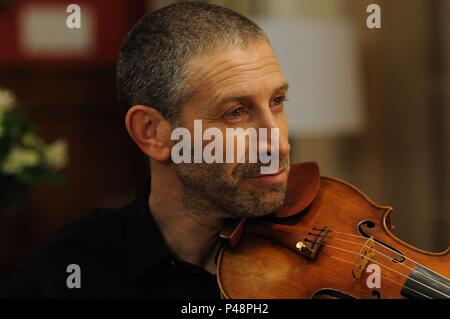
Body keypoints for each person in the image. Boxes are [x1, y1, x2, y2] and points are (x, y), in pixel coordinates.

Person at [4, 1, 291, 298]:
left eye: (277, 101)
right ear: (151, 132)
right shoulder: (63, 274)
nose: (279, 145)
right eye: (236, 112)